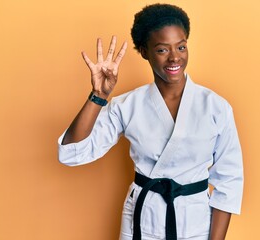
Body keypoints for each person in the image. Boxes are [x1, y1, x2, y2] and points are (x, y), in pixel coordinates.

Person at [58, 3, 243, 240]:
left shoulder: (216, 107)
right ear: (144, 51)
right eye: (162, 50)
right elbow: (72, 153)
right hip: (142, 219)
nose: (175, 57)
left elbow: (229, 183)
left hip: (196, 222)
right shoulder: (127, 105)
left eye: (181, 46)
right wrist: (99, 96)